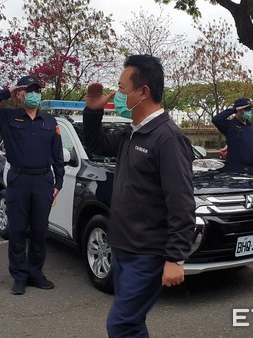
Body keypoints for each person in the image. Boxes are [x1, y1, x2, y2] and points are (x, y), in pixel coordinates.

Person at [83, 54, 196, 337]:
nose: (117, 95)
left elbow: (181, 202)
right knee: (132, 322)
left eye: (121, 89)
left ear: (142, 92)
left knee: (121, 325)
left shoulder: (167, 138)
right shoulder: (132, 133)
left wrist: (175, 258)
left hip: (147, 253)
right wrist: (93, 111)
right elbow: (95, 145)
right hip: (123, 247)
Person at [0, 75, 64, 295]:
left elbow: (58, 155)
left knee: (40, 230)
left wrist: (58, 183)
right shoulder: (8, 117)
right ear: (20, 94)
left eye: (36, 90)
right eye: (28, 90)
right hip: (19, 179)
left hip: (43, 180)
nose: (34, 94)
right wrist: (7, 91)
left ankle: (35, 273)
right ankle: (19, 276)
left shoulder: (50, 122)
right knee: (17, 229)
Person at [212, 98, 253, 167]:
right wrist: (233, 110)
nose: (249, 111)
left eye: (250, 109)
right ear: (238, 110)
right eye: (246, 109)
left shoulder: (252, 126)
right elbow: (216, 120)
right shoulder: (230, 125)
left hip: (252, 167)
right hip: (235, 168)